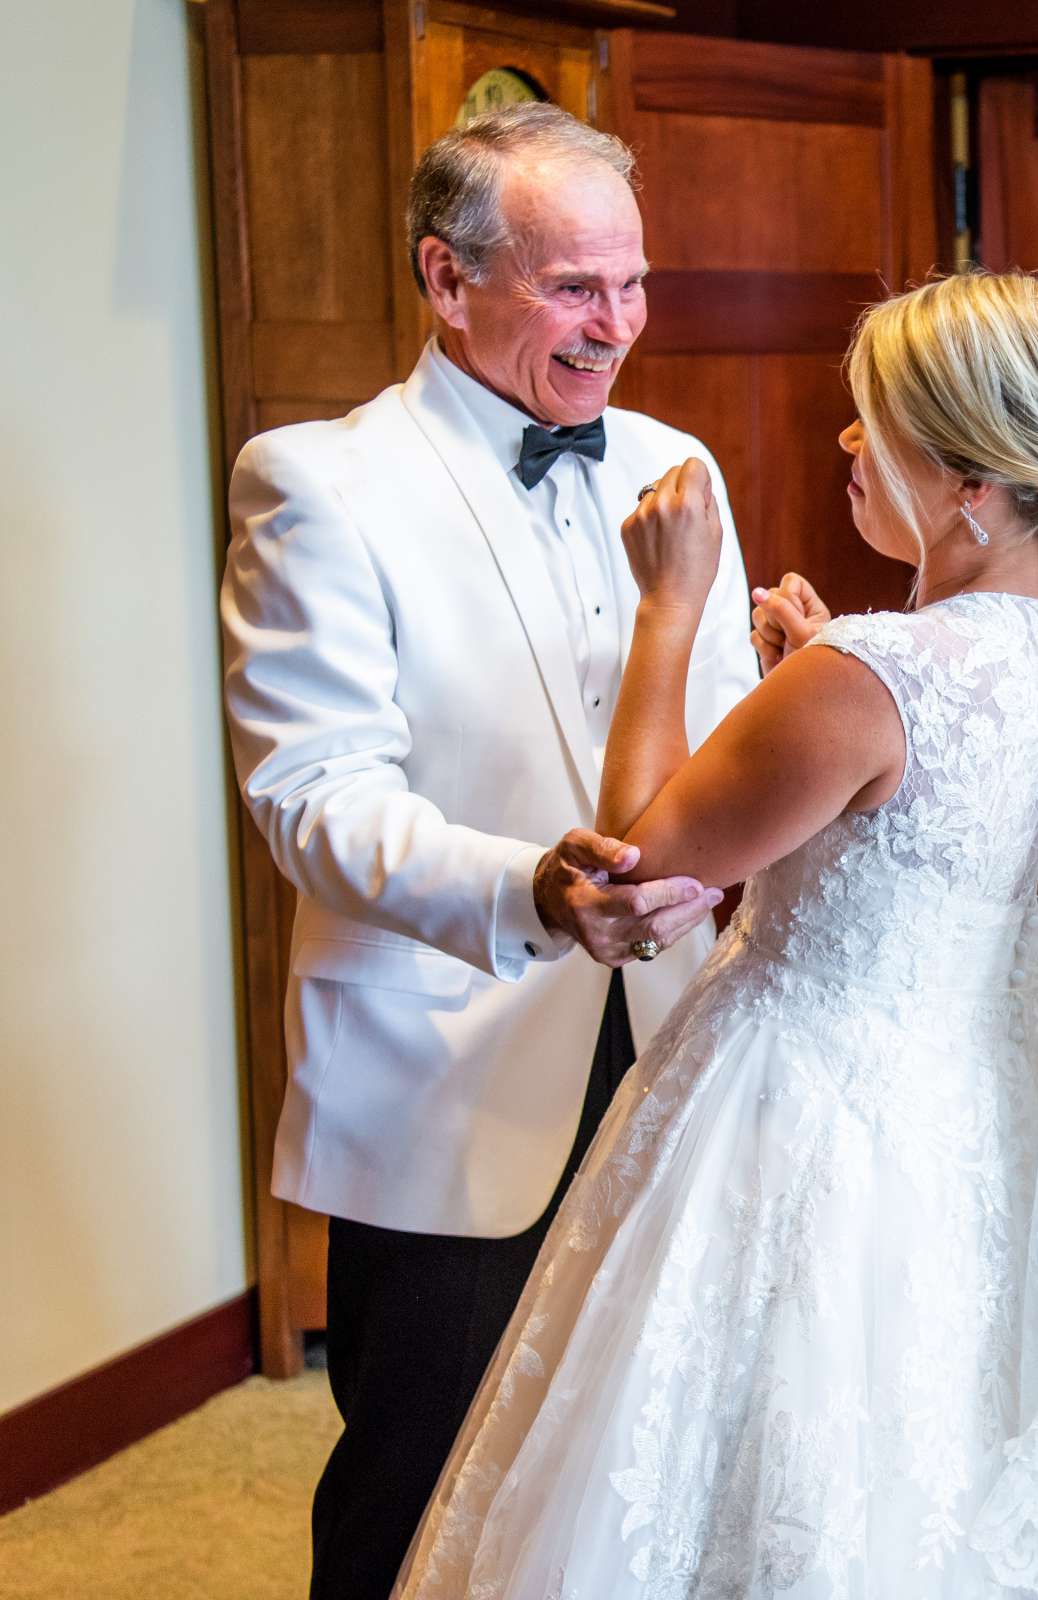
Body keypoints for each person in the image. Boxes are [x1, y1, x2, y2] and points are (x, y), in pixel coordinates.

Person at [393, 271, 1038, 1597]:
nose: (843, 443)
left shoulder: (870, 679)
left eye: (871, 422)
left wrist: (672, 604)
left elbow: (633, 871)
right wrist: (822, 686)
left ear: (970, 488)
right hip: (996, 1137)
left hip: (805, 1133)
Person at [217, 105, 759, 1600]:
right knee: (426, 1478)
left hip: (677, 1046)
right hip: (446, 1064)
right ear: (445, 281)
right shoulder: (319, 482)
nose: (618, 323)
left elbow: (717, 734)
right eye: (575, 284)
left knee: (637, 1461)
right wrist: (524, 889)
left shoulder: (677, 463)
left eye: (634, 283)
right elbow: (312, 795)